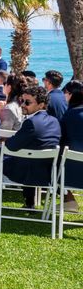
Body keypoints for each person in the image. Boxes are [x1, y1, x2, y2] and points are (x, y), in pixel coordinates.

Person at [3, 86, 61, 209]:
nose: (23, 105)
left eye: (27, 102)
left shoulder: (31, 123)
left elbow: (11, 146)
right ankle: (29, 202)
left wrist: (6, 140)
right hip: (48, 172)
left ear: (41, 105)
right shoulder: (54, 121)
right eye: (21, 101)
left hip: (27, 173)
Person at [60, 80, 83, 212]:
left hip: (73, 172)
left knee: (49, 164)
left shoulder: (69, 116)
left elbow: (61, 140)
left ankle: (69, 200)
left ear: (69, 94)